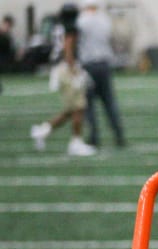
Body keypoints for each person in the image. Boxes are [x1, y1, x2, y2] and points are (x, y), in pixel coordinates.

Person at [30, 3, 97, 156]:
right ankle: (76, 142)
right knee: (79, 107)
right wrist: (74, 71)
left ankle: (43, 130)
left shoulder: (58, 26)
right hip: (66, 68)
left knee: (72, 109)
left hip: (59, 68)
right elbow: (68, 48)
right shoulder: (70, 27)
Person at [69, 0, 126, 148]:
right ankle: (119, 134)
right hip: (105, 63)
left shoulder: (81, 21)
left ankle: (94, 137)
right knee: (109, 102)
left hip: (88, 65)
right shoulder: (104, 20)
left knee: (89, 104)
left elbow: (75, 41)